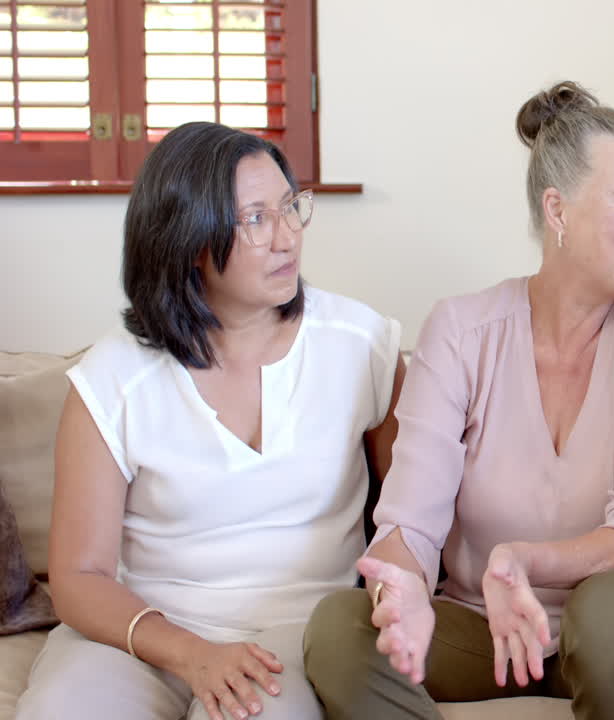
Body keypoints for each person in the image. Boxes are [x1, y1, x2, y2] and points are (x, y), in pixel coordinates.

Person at [302, 81, 614, 720]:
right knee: (340, 627)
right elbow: (408, 524)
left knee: (603, 606)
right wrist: (400, 591)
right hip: (485, 630)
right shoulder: (462, 330)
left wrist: (518, 561)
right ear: (558, 211)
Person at [15, 121, 404, 720]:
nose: (287, 238)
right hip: (139, 632)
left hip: (296, 639)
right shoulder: (114, 375)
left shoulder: (362, 345)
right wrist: (191, 653)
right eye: (255, 219)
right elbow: (78, 576)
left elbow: (413, 517)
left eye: (290, 208)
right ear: (189, 242)